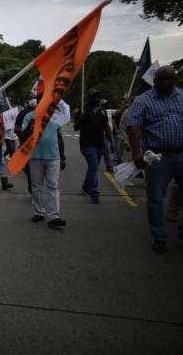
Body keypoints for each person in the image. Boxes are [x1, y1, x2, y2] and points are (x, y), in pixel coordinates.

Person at [127, 66, 183, 253]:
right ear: (155, 80)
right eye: (161, 79)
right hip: (159, 157)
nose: (166, 82)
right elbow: (134, 127)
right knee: (156, 198)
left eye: (169, 79)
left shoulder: (181, 96)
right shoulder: (143, 101)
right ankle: (159, 236)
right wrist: (137, 153)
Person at [22, 94, 67, 227]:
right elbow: (22, 137)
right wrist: (30, 126)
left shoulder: (56, 116)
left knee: (53, 186)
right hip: (35, 157)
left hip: (53, 157)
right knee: (36, 186)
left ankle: (54, 216)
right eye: (41, 101)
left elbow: (59, 138)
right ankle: (39, 212)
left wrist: (63, 157)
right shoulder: (29, 116)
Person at [74, 93, 114, 204]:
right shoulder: (85, 113)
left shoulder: (102, 112)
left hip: (99, 144)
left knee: (93, 167)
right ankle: (94, 191)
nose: (98, 100)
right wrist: (79, 118)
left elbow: (106, 128)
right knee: (93, 166)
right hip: (87, 145)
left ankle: (85, 187)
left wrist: (111, 142)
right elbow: (76, 128)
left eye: (98, 98)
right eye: (95, 99)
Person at [15, 94, 38, 193]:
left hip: (38, 147)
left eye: (35, 99)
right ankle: (31, 185)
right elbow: (16, 129)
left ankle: (35, 186)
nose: (34, 101)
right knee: (28, 168)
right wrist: (23, 135)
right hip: (26, 145)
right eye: (32, 99)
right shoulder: (22, 113)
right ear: (27, 101)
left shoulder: (40, 112)